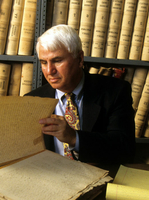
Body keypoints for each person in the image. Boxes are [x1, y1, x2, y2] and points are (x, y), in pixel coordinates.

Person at [25, 25, 135, 164]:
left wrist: (74, 138)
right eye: (43, 62)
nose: (49, 71)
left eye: (57, 61)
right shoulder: (32, 100)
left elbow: (125, 150)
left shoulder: (115, 91)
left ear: (79, 58)